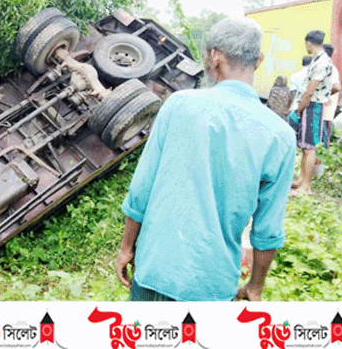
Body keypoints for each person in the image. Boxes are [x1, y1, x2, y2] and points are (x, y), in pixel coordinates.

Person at [115, 17, 296, 301]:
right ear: (258, 60)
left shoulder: (178, 105)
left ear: (215, 57)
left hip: (155, 269)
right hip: (211, 286)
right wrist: (255, 286)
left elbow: (142, 189)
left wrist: (127, 247)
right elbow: (268, 229)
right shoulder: (280, 136)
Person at [288, 31, 335, 194]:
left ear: (309, 43)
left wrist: (299, 109)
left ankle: (306, 186)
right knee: (304, 146)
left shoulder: (322, 62)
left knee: (309, 147)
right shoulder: (317, 60)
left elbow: (309, 91)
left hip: (312, 106)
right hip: (309, 105)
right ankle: (301, 179)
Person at [321, 44, 341, 148]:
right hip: (322, 109)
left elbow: (337, 87)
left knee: (324, 135)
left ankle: (322, 160)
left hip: (326, 109)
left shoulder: (330, 68)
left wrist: (324, 96)